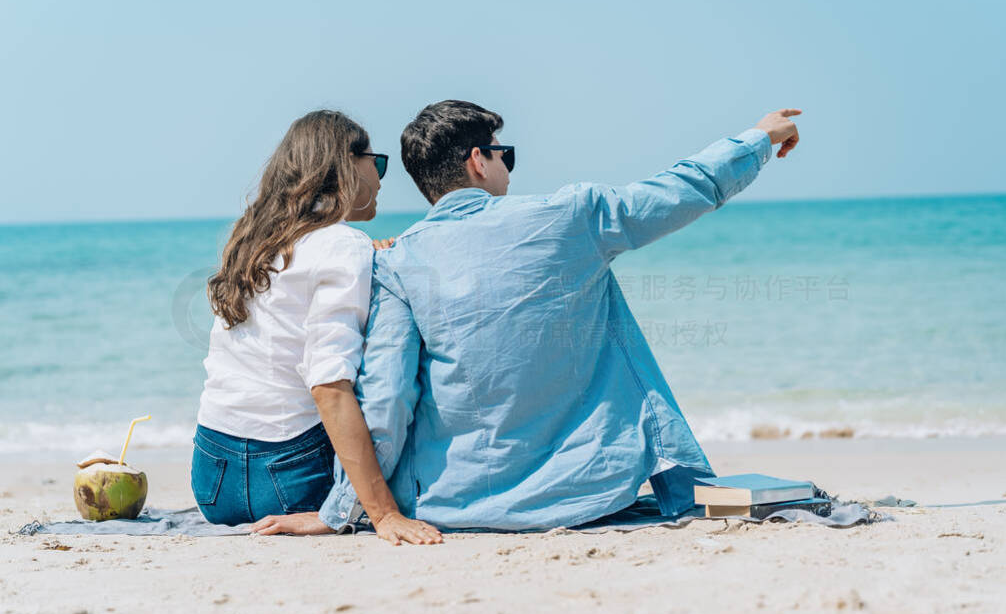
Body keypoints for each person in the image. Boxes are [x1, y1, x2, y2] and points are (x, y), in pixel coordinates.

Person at [261, 100, 801, 535]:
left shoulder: (398, 261)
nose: (507, 169)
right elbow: (684, 188)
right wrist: (759, 138)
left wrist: (343, 511)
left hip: (454, 502)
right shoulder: (572, 216)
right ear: (478, 160)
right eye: (504, 156)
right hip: (588, 491)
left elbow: (384, 397)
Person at [192, 109, 441, 545]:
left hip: (213, 480)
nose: (381, 179)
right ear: (346, 165)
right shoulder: (342, 244)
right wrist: (383, 515)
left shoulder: (250, 243)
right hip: (290, 480)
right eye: (377, 163)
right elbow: (327, 383)